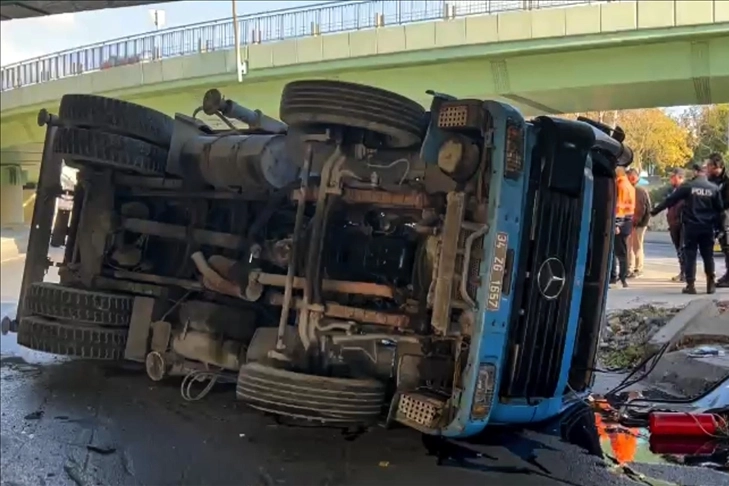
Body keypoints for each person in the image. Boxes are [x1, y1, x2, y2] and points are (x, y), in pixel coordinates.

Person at [651, 165, 725, 294]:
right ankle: (710, 284)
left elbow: (671, 200)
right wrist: (721, 228)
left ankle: (691, 285)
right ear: (705, 173)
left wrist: (654, 211)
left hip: (691, 226)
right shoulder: (713, 188)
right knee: (708, 256)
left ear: (695, 172)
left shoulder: (688, 186)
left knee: (690, 255)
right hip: (707, 227)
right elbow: (720, 211)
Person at [706, 153, 729, 287]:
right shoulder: (710, 181)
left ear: (717, 167)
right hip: (712, 219)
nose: (707, 168)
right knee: (723, 248)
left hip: (725, 219)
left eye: (709, 165)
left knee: (727, 248)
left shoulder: (726, 183)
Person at [611, 167, 636, 288]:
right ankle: (621, 277)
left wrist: (616, 224)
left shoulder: (620, 185)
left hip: (621, 223)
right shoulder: (629, 186)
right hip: (628, 222)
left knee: (618, 253)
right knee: (622, 251)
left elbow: (619, 207)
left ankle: (619, 277)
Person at [626, 168, 651, 278]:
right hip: (633, 222)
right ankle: (631, 267)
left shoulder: (639, 191)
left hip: (638, 223)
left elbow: (644, 208)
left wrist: (640, 223)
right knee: (631, 246)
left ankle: (637, 268)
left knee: (636, 246)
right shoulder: (636, 190)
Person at [666, 168, 686, 282]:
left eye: (673, 177)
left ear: (680, 177)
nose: (671, 179)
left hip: (681, 224)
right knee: (679, 249)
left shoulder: (685, 191)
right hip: (674, 224)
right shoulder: (673, 190)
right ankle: (682, 272)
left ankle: (685, 273)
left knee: (682, 249)